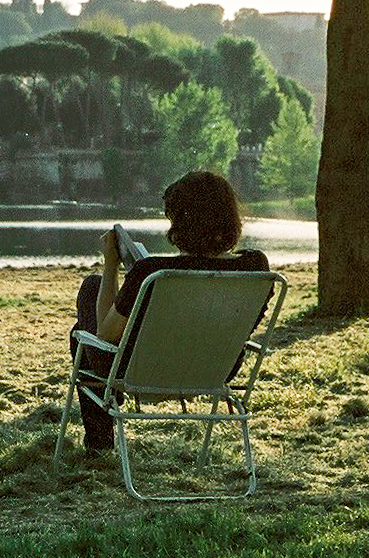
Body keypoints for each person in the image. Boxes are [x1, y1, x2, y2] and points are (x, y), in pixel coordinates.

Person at [70, 170, 270, 453]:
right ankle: (99, 441)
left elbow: (105, 333)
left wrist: (111, 264)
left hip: (141, 372)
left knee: (88, 305)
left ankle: (100, 445)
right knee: (87, 326)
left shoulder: (153, 272)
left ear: (180, 224)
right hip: (215, 370)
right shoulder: (255, 266)